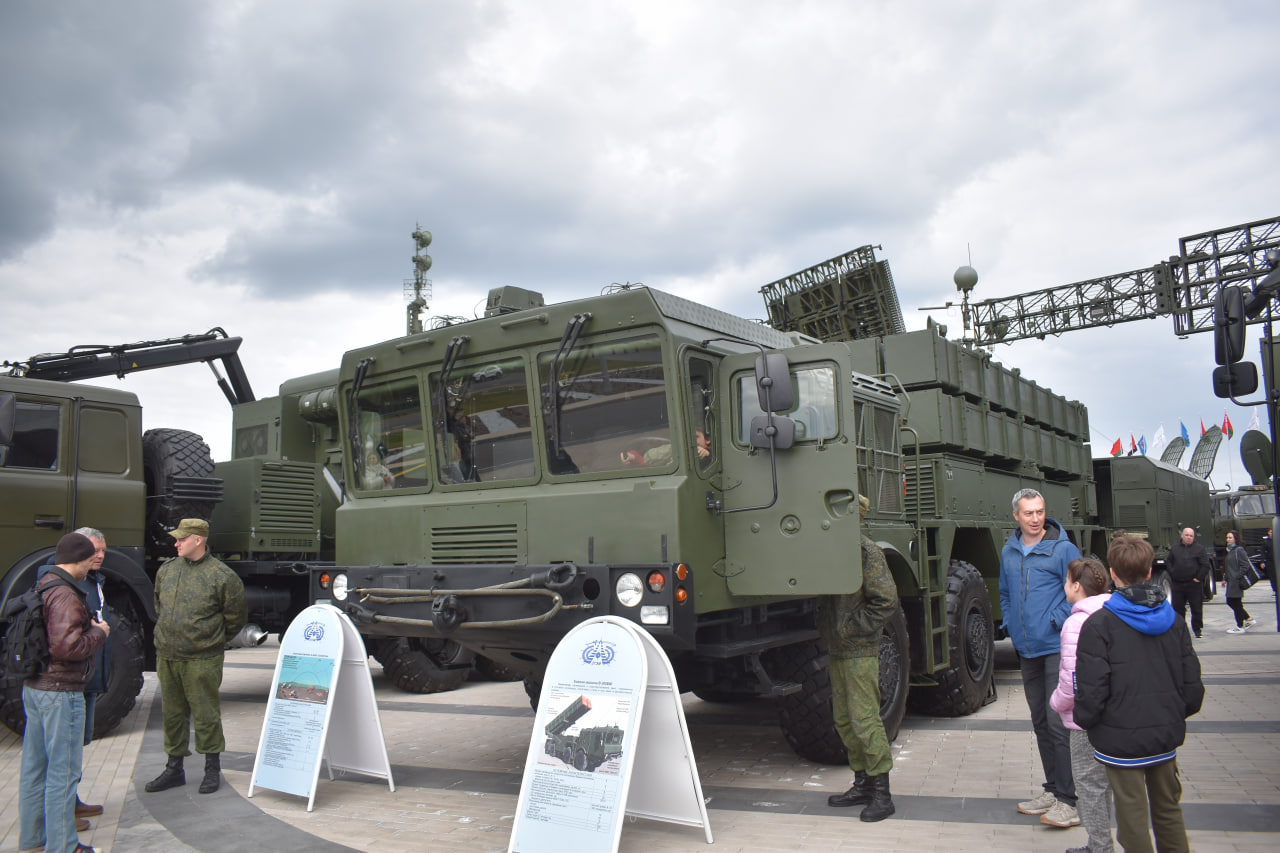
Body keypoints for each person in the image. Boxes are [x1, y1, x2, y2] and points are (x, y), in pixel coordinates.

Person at [1075, 534, 1203, 853]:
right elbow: (1192, 688)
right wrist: (1171, 715)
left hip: (1119, 740)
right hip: (1164, 734)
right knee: (1169, 810)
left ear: (1113, 573)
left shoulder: (1098, 626)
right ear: (1149, 572)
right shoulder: (1174, 622)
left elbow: (1091, 692)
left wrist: (1089, 723)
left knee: (1131, 818)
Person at [18, 532, 110, 853]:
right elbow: (67, 647)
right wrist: (98, 633)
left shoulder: (41, 585)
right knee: (63, 772)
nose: (91, 566)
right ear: (81, 560)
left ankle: (32, 841)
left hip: (35, 687)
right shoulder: (67, 594)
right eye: (90, 559)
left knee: (34, 768)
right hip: (61, 693)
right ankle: (65, 846)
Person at [144, 518, 247, 796]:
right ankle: (173, 768)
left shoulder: (222, 576)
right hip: (168, 656)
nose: (175, 543)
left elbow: (235, 619)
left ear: (198, 540)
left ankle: (212, 769)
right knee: (173, 714)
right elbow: (159, 606)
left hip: (202, 659)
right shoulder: (167, 571)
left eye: (181, 539)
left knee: (206, 715)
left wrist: (208, 640)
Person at [999, 488, 1080, 828]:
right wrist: (1011, 626)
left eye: (1040, 512)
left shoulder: (1063, 549)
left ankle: (1069, 800)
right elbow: (1004, 592)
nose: (1036, 519)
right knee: (1039, 722)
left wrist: (1053, 621)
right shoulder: (1009, 550)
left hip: (1054, 648)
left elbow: (1082, 590)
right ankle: (1052, 789)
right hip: (1026, 649)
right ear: (1016, 515)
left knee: (1057, 723)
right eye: (1028, 513)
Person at [822, 494, 898, 822]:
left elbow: (886, 600)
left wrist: (852, 627)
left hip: (859, 649)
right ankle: (862, 782)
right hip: (838, 648)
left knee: (865, 720)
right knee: (844, 720)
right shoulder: (830, 550)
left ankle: (882, 792)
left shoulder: (866, 552)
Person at [1049, 557, 1115, 853]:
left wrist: (1056, 703)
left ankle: (1099, 846)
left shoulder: (1075, 623)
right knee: (1108, 784)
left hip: (1083, 720)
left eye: (1066, 581)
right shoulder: (1114, 612)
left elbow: (1071, 680)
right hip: (1114, 716)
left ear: (1077, 586)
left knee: (1089, 785)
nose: (1064, 586)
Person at [1165, 527, 1210, 639]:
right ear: (1182, 536)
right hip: (1178, 584)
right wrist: (1173, 573)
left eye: (1191, 536)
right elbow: (1169, 562)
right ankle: (1180, 630)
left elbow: (1205, 565)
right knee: (1178, 608)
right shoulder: (1175, 549)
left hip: (1193, 584)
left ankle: (1197, 629)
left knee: (1196, 608)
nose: (1189, 537)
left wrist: (1198, 578)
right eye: (1187, 535)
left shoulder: (1199, 549)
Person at [1222, 530, 1259, 634]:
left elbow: (1245, 566)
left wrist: (1236, 576)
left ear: (1235, 539)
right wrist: (1225, 578)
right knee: (1235, 603)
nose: (1228, 539)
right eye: (1227, 538)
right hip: (1231, 582)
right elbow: (1229, 567)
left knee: (1234, 602)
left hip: (1236, 582)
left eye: (1230, 537)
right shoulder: (1229, 550)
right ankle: (1248, 620)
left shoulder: (1239, 550)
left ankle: (1240, 626)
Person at [620, 428, 710, 467]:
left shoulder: (711, 453)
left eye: (695, 437)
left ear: (707, 439)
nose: (690, 441)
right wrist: (634, 458)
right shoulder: (674, 451)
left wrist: (706, 453)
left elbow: (713, 457)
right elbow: (649, 461)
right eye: (686, 438)